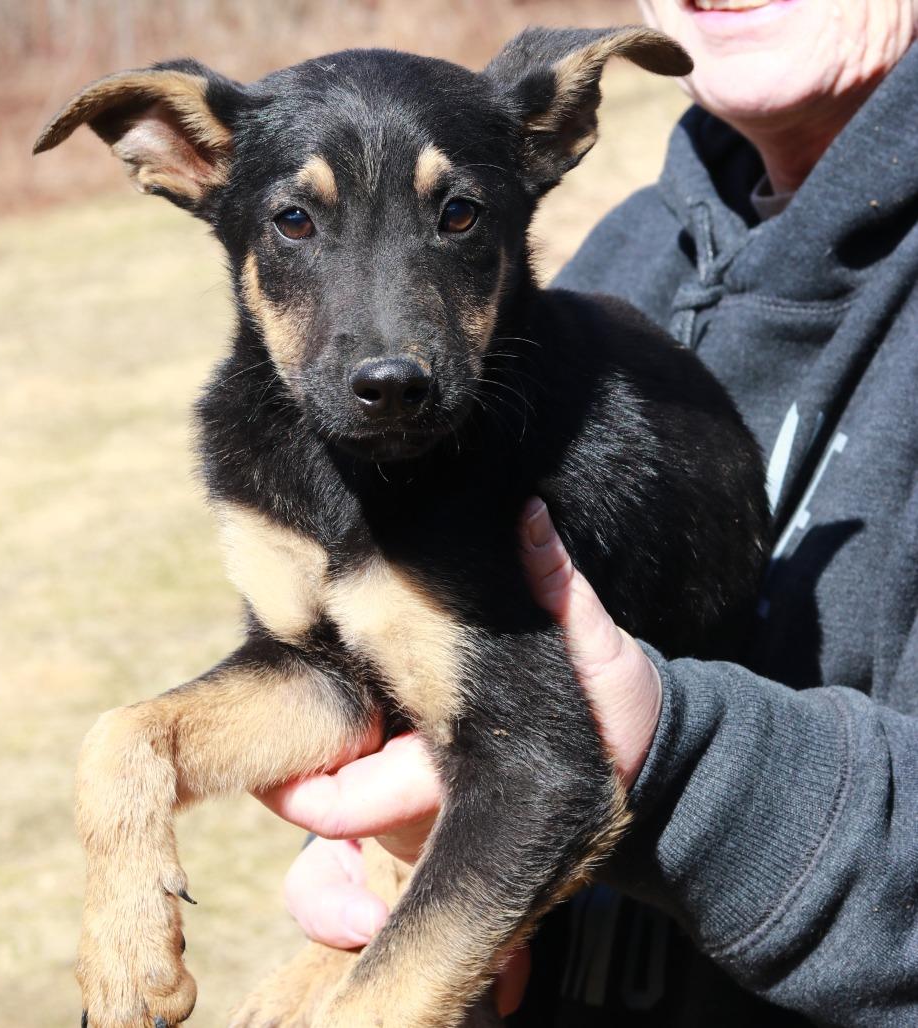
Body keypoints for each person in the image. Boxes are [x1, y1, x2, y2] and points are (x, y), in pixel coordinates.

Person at [256, 1, 918, 1023]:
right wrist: (380, 856)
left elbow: (574, 740)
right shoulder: (616, 252)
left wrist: (665, 750)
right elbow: (449, 636)